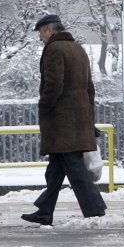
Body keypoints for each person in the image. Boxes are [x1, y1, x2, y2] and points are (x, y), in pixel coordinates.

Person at [21, 13, 107, 226]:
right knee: (56, 168)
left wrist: (44, 108)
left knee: (74, 168)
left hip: (62, 121)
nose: (41, 38)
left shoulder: (54, 49)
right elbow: (89, 87)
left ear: (50, 30)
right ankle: (44, 211)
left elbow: (53, 84)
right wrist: (88, 115)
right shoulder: (78, 49)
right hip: (79, 118)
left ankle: (95, 209)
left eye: (41, 33)